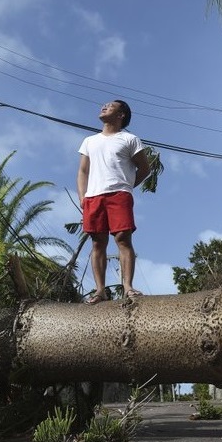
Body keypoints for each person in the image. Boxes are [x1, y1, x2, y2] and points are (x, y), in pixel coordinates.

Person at [77, 100, 151, 304]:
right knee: (97, 243)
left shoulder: (130, 139)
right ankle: (100, 290)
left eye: (110, 106)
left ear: (121, 115)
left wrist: (127, 187)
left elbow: (145, 169)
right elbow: (83, 171)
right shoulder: (89, 141)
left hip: (119, 195)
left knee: (123, 239)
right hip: (93, 197)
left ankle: (128, 287)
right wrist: (83, 197)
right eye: (104, 104)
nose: (104, 106)